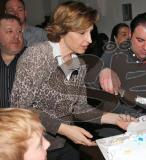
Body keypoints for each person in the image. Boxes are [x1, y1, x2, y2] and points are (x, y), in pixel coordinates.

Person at [10, 1, 134, 160]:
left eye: (90, 32)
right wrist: (63, 128)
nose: (89, 39)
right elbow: (21, 109)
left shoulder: (77, 63)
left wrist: (115, 119)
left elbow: (79, 107)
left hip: (66, 145)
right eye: (82, 33)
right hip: (34, 147)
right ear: (62, 30)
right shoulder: (37, 57)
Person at [0, 14, 25, 108]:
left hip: (27, 120)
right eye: (9, 31)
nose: (16, 36)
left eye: (19, 31)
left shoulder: (35, 58)